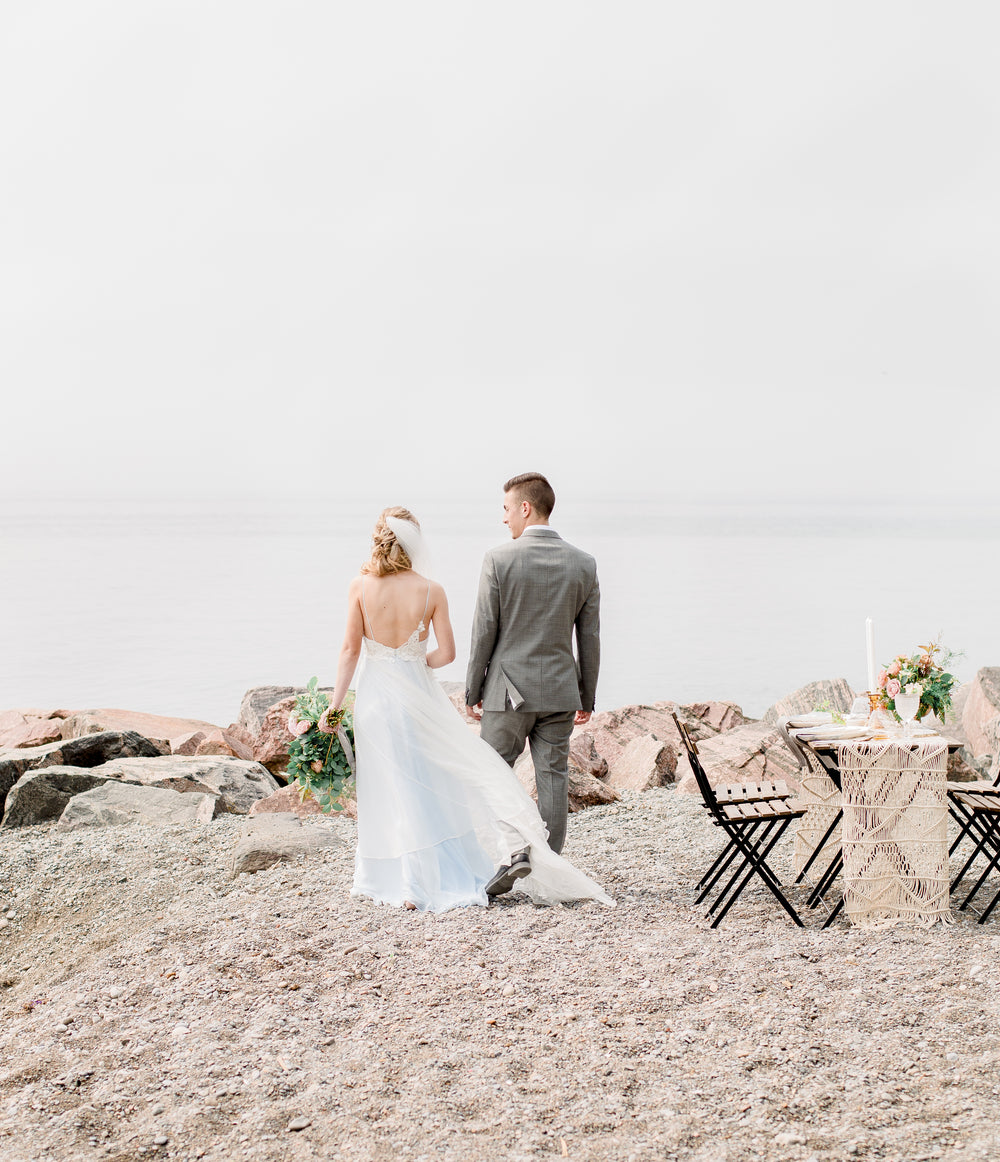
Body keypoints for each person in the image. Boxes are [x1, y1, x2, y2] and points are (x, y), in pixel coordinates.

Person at [328, 505, 613, 913]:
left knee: (395, 784)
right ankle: (539, 857)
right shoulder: (432, 590)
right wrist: (413, 660)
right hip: (433, 693)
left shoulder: (360, 587)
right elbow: (447, 653)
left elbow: (350, 651)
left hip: (378, 699)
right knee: (447, 778)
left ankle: (403, 878)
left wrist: (335, 707)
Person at [465, 473, 600, 893]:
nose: (503, 518)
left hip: (507, 693)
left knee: (491, 774)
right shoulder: (584, 562)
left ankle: (513, 854)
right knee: (553, 778)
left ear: (526, 507)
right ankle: (547, 869)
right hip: (560, 691)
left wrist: (472, 691)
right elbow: (589, 637)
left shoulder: (499, 560)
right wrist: (587, 695)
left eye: (507, 509)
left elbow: (484, 631)